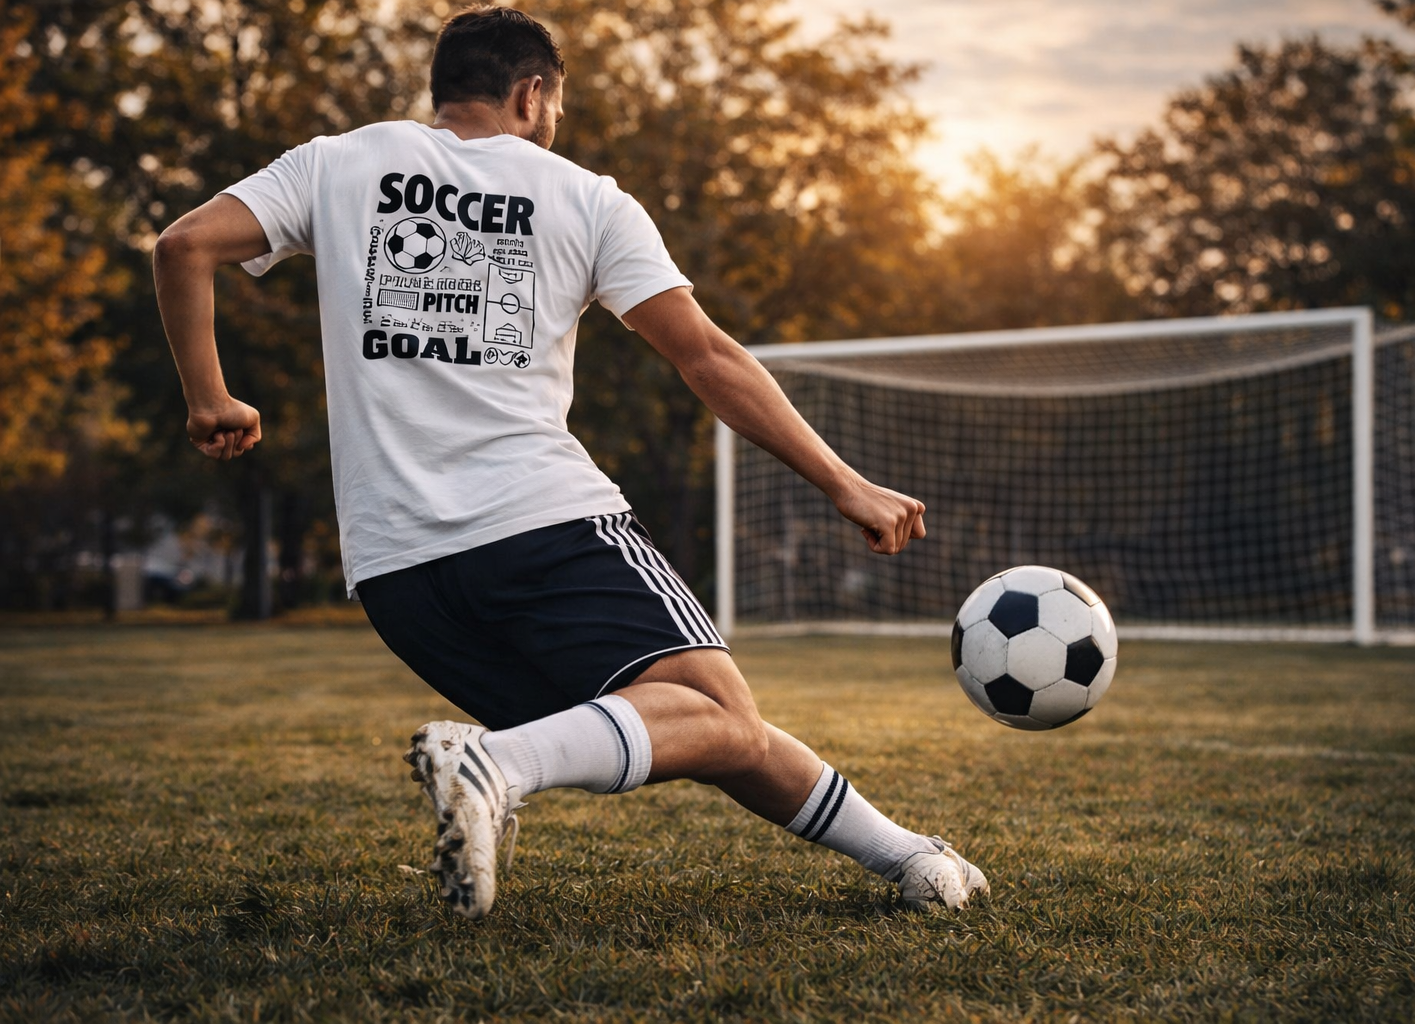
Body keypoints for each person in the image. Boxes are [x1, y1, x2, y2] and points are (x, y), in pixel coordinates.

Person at [153, 4, 986, 920]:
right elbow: (705, 356)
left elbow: (183, 245)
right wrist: (845, 482)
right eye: (556, 104)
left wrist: (209, 396)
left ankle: (909, 858)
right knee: (713, 709)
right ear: (531, 91)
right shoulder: (585, 196)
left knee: (694, 725)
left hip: (396, 574)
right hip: (539, 522)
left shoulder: (337, 162)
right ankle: (494, 764)